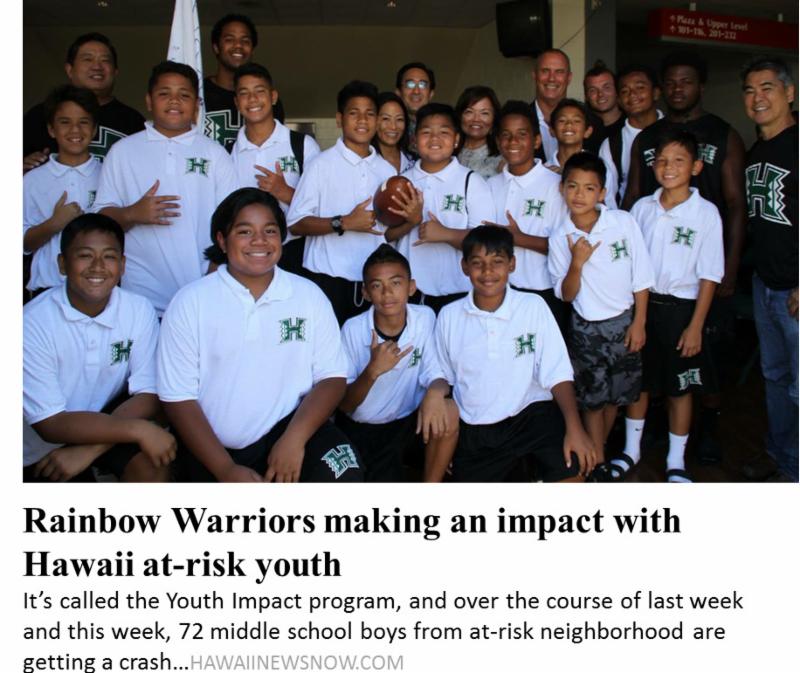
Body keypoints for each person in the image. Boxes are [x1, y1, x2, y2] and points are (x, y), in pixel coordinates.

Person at [157, 188, 364, 483]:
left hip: (290, 427)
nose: (259, 241)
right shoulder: (191, 302)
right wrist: (225, 469)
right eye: (245, 231)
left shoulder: (307, 295)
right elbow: (178, 398)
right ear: (221, 240)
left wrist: (294, 441)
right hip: (215, 446)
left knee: (346, 472)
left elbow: (331, 377)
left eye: (270, 231)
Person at [623, 50, 746, 464]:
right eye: (671, 81)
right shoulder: (647, 142)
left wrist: (729, 268)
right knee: (645, 377)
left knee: (693, 372)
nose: (678, 88)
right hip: (646, 298)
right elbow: (631, 201)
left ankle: (696, 441)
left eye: (686, 81)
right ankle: (637, 446)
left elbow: (735, 205)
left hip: (691, 291)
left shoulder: (722, 133)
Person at [428, 224, 595, 482]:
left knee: (573, 478)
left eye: (497, 262)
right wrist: (435, 392)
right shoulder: (450, 315)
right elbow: (442, 375)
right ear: (464, 267)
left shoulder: (532, 306)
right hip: (477, 426)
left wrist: (575, 428)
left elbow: (557, 372)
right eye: (477, 263)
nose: (487, 272)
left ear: (512, 264)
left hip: (531, 416)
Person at [23, 214, 175, 482]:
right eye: (84, 255)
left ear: (123, 264)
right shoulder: (32, 323)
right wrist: (139, 430)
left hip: (109, 422)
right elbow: (50, 424)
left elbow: (150, 393)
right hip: (41, 449)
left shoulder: (138, 309)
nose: (98, 267)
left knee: (153, 463)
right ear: (62, 263)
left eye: (109, 256)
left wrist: (92, 448)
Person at [95, 61, 237, 315]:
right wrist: (132, 214)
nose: (174, 101)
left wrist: (215, 272)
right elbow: (100, 221)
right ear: (149, 101)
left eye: (184, 95)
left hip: (203, 293)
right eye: (164, 94)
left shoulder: (215, 154)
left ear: (197, 105)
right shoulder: (123, 152)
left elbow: (233, 221)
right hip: (139, 297)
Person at [626, 130, 724, 482]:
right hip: (643, 306)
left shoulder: (706, 213)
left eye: (679, 160)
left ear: (696, 166)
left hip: (682, 309)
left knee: (679, 388)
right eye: (662, 160)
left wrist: (695, 325)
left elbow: (710, 274)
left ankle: (676, 460)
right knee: (640, 382)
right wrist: (636, 317)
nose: (668, 167)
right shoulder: (642, 208)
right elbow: (632, 265)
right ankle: (630, 451)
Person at [547, 152, 654, 477]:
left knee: (615, 398)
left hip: (623, 322)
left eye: (589, 188)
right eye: (573, 187)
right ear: (562, 189)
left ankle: (598, 452)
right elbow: (566, 294)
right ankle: (598, 461)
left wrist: (639, 322)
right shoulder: (560, 236)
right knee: (592, 400)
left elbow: (642, 276)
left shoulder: (622, 222)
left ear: (603, 193)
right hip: (586, 329)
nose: (580, 195)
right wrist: (577, 262)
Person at [338, 245, 459, 482]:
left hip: (408, 421)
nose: (387, 293)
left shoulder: (425, 318)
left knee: (449, 409)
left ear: (411, 287)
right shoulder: (353, 330)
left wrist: (436, 391)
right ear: (365, 292)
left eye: (395, 283)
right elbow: (344, 405)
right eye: (376, 285)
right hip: (364, 428)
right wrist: (373, 370)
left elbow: (437, 373)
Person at [287, 80, 395, 325]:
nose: (362, 120)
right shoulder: (321, 164)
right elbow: (296, 223)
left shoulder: (387, 171)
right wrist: (344, 222)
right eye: (353, 113)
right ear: (339, 119)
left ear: (377, 120)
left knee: (366, 353)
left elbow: (389, 232)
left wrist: (411, 218)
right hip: (327, 280)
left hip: (374, 283)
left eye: (369, 114)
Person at [740, 56, 798, 482]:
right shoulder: (757, 150)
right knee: (775, 379)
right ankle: (782, 458)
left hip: (796, 289)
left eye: (767, 88)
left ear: (789, 93)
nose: (757, 98)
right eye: (749, 90)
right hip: (765, 286)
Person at [385, 103, 494, 314]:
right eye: (426, 132)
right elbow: (385, 235)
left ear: (456, 140)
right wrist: (411, 222)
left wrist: (445, 234)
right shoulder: (401, 182)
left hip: (459, 291)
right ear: (414, 140)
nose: (434, 139)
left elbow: (485, 243)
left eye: (443, 132)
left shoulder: (471, 182)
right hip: (410, 293)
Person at [485, 100, 568, 332]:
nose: (513, 142)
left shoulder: (555, 186)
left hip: (544, 292)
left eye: (522, 134)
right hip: (498, 293)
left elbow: (568, 247)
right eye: (506, 135)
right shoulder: (490, 186)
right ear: (498, 141)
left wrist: (519, 238)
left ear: (537, 140)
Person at [230, 62, 320, 275]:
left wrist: (285, 192)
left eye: (259, 91)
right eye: (244, 93)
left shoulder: (303, 145)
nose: (252, 99)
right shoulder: (226, 153)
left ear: (273, 97)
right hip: (246, 254)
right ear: (236, 102)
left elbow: (323, 207)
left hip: (296, 253)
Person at [23, 32, 144, 173]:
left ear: (115, 71)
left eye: (105, 60)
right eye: (87, 59)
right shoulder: (41, 114)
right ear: (70, 70)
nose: (97, 66)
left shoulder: (133, 121)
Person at [24, 85, 101, 296]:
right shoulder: (32, 180)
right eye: (65, 122)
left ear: (94, 129)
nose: (75, 130)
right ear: (51, 129)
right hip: (48, 288)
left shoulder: (108, 175)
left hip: (100, 288)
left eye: (83, 122)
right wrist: (53, 224)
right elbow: (22, 243)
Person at [204, 13, 285, 152]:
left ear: (252, 49)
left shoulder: (266, 100)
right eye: (229, 39)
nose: (238, 46)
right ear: (216, 47)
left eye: (245, 41)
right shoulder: (199, 93)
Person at [598, 64, 663, 206]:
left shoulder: (676, 133)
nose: (632, 95)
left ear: (656, 93)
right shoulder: (612, 144)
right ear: (619, 101)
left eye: (640, 88)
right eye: (625, 91)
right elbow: (608, 196)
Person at [547, 98, 618, 208]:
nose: (569, 124)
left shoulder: (600, 168)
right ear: (552, 130)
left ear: (587, 131)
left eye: (576, 121)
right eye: (562, 120)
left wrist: (570, 176)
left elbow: (609, 210)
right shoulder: (544, 170)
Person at [531, 49, 571, 164]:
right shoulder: (520, 120)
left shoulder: (591, 122)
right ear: (534, 75)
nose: (552, 78)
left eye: (559, 72)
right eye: (545, 71)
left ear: (569, 78)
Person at [454, 85, 504, 179]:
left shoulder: (502, 159)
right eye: (469, 112)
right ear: (460, 116)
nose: (476, 119)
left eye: (484, 113)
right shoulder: (447, 152)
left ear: (494, 119)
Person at [395, 62, 436, 154]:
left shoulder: (441, 128)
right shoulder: (387, 126)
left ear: (431, 94)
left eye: (422, 85)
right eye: (410, 84)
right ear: (398, 92)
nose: (416, 91)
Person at [583, 60, 624, 149]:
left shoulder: (630, 124)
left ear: (617, 91)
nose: (600, 94)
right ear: (586, 96)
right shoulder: (582, 128)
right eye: (593, 90)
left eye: (606, 88)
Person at [372, 91, 413, 174]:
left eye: (399, 119)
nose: (393, 127)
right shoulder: (365, 161)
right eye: (386, 119)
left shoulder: (414, 161)